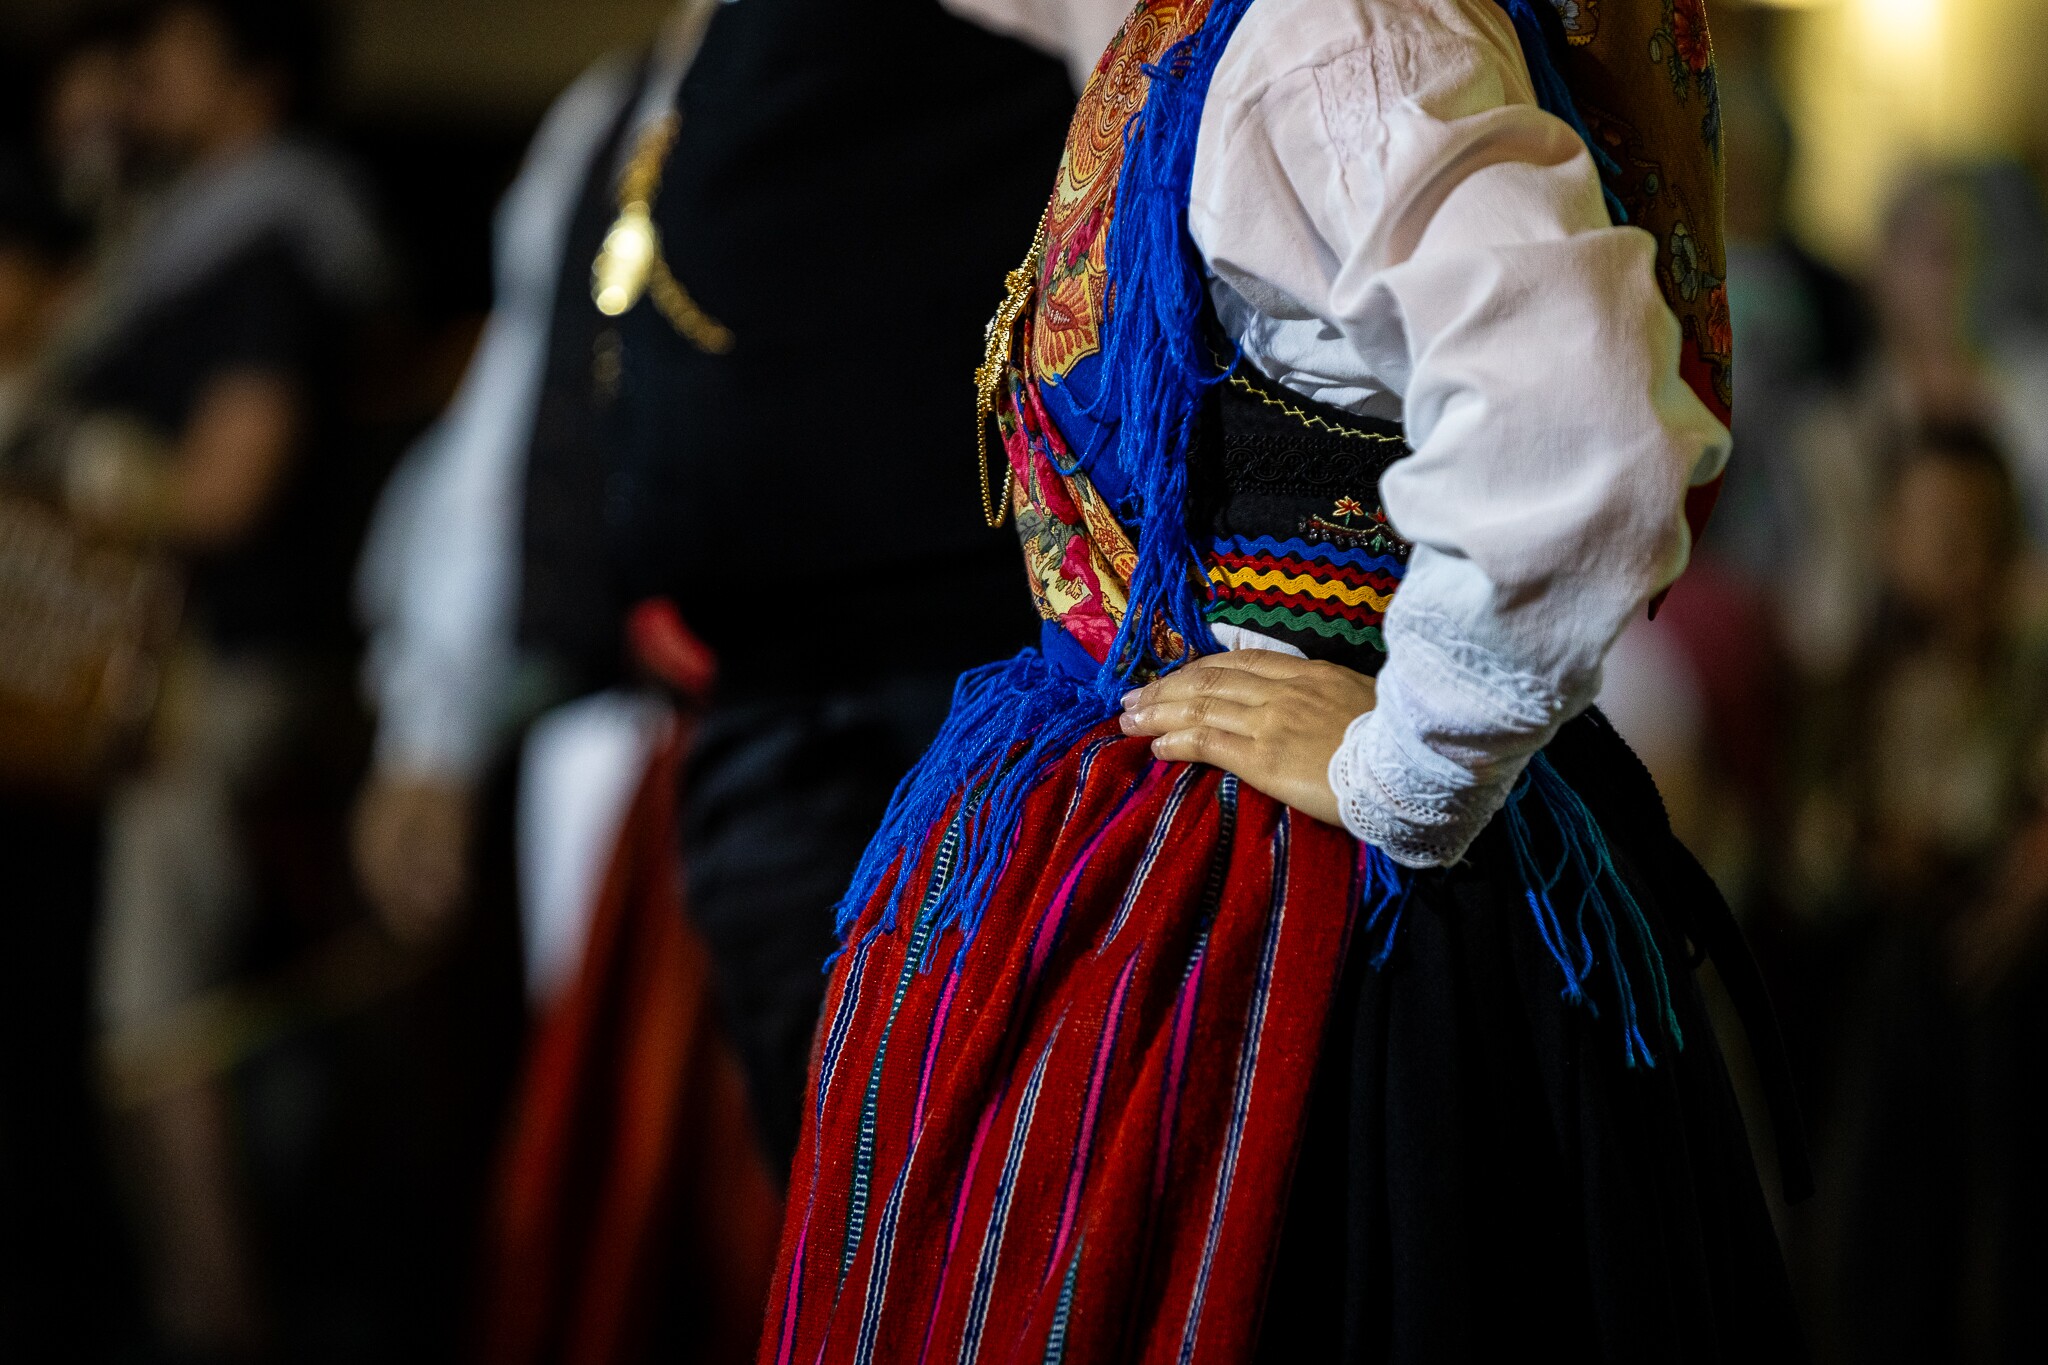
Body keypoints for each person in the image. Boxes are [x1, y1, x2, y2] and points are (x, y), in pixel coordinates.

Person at [759, 0, 1805, 1361]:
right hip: (1192, 810)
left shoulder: (1346, 32)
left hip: (1295, 894)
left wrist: (1407, 763)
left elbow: (1575, 413)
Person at [354, 1, 1091, 1358]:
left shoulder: (1035, 42)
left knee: (961, 1202)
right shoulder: (617, 111)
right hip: (685, 731)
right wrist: (430, 727)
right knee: (735, 1201)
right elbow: (514, 416)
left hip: (966, 714)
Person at [54, 3, 387, 1358]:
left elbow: (230, 483)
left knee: (168, 1016)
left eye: (180, 48)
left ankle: (222, 1318)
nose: (150, 73)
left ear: (257, 73)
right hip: (165, 676)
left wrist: (111, 486)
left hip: (226, 677)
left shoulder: (275, 234)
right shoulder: (187, 229)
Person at [1786, 427, 2048, 1363]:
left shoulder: (2027, 679)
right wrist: (1868, 851)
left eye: (1980, 530)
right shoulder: (1847, 691)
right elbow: (1805, 858)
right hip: (1875, 998)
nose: (1958, 555)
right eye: (1936, 528)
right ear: (1889, 538)